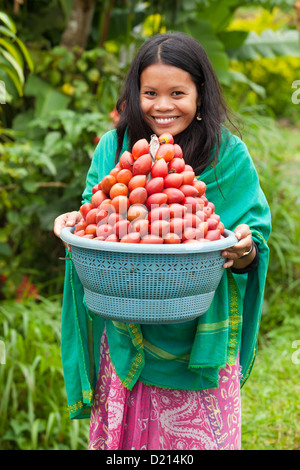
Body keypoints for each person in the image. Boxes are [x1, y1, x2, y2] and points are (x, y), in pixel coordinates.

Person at [54, 32, 271, 451]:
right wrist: (78, 226)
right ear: (135, 94)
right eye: (150, 92)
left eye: (178, 92)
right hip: (123, 329)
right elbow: (92, 215)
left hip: (198, 335)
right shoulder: (114, 147)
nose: (163, 105)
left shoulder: (228, 155)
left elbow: (251, 244)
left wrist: (243, 249)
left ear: (200, 94)